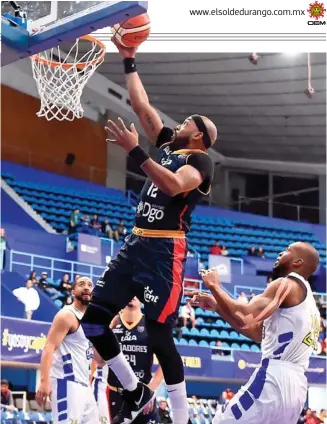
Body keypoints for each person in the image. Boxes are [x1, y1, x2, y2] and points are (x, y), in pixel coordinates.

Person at [80, 37, 217, 424]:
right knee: (93, 321)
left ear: (200, 136)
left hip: (163, 252)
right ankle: (137, 391)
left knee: (158, 337)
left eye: (191, 120)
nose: (184, 120)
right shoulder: (171, 145)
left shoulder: (202, 162)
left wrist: (135, 152)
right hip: (135, 242)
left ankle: (182, 416)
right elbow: (142, 106)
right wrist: (129, 58)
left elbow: (175, 186)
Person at [189, 242, 321, 424]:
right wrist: (218, 306)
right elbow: (256, 332)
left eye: (287, 251)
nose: (280, 253)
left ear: (298, 262)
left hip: (275, 375)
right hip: (297, 388)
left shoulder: (286, 284)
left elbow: (245, 315)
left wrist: (215, 286)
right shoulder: (309, 303)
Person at [35, 276, 102, 424]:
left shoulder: (92, 320)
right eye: (81, 284)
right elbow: (49, 347)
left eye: (90, 285)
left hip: (85, 386)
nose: (86, 287)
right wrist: (44, 381)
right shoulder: (67, 315)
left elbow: (98, 358)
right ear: (72, 291)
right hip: (66, 383)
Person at [91, 297, 163, 424]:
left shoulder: (151, 324)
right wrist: (104, 331)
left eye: (137, 292)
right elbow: (99, 360)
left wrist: (150, 390)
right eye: (130, 291)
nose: (133, 296)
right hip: (115, 393)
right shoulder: (112, 321)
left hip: (142, 395)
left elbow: (166, 362)